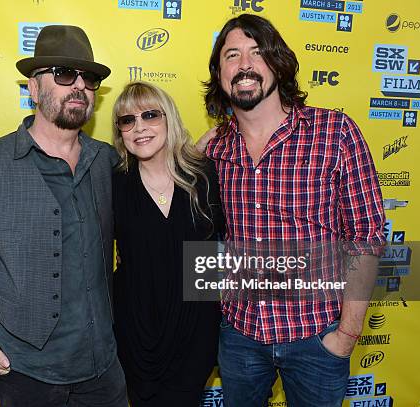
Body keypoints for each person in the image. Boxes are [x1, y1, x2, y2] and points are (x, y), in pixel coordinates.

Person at [0, 25, 128, 407]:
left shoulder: (107, 161)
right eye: (64, 74)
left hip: (103, 365)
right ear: (33, 88)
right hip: (25, 370)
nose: (79, 86)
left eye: (89, 78)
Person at [199, 14, 386, 407]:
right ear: (219, 73)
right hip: (239, 336)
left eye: (257, 53)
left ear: (278, 65)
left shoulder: (334, 133)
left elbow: (365, 239)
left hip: (317, 338)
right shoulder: (215, 149)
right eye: (232, 55)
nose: (245, 64)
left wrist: (346, 335)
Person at [111, 81, 225, 407]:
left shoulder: (204, 177)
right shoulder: (112, 182)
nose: (140, 127)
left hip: (196, 329)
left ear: (169, 119)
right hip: (134, 332)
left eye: (150, 115)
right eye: (127, 120)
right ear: (120, 132)